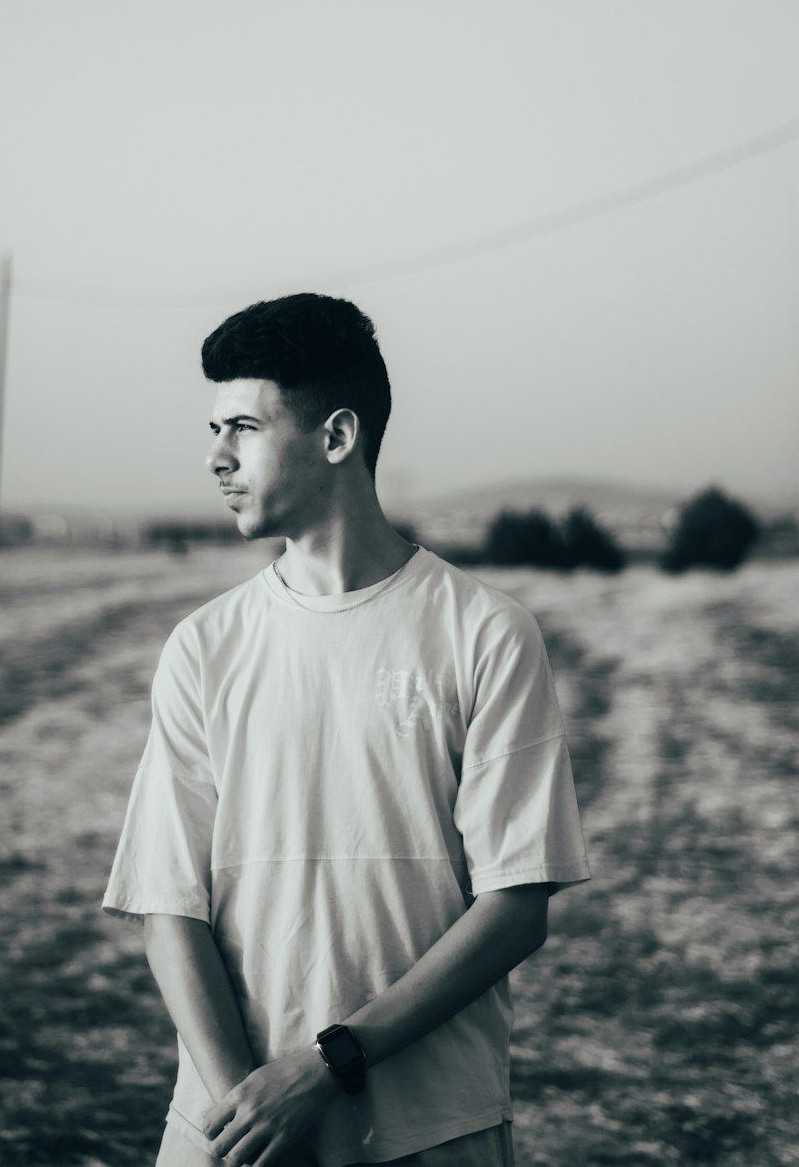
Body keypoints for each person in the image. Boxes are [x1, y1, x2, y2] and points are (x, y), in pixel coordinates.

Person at [103, 293, 590, 1167]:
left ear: (336, 437)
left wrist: (327, 1068)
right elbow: (167, 905)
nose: (216, 458)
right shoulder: (205, 646)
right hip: (225, 1133)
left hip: (431, 1129)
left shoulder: (484, 631)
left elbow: (516, 906)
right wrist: (243, 1113)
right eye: (214, 430)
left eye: (243, 428)